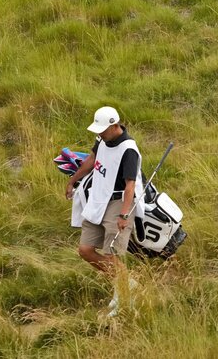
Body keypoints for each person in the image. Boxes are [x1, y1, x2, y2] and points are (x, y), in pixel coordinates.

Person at [64, 106, 142, 317]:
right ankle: (126, 284)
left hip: (118, 203)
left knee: (112, 255)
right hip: (98, 200)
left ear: (114, 125)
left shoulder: (129, 150)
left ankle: (125, 298)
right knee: (85, 250)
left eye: (102, 130)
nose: (99, 133)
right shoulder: (102, 141)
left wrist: (124, 214)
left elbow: (130, 186)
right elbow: (91, 160)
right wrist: (74, 179)